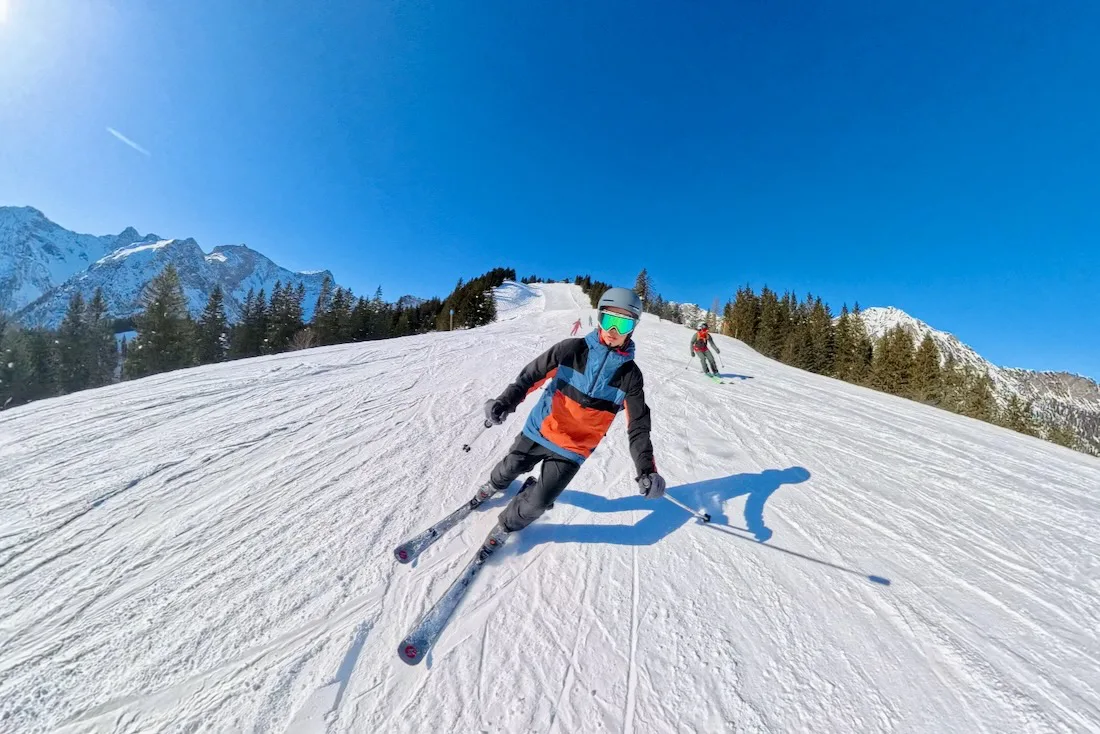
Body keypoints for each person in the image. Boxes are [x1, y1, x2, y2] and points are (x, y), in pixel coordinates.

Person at [478, 287, 666, 554]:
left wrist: (646, 470)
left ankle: (507, 524)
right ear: (599, 318)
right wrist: (504, 403)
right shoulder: (571, 350)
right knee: (509, 468)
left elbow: (638, 426)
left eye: (622, 323)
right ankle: (493, 486)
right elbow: (529, 377)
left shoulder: (630, 376)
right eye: (608, 320)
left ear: (633, 327)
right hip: (541, 431)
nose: (613, 330)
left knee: (538, 503)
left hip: (573, 450)